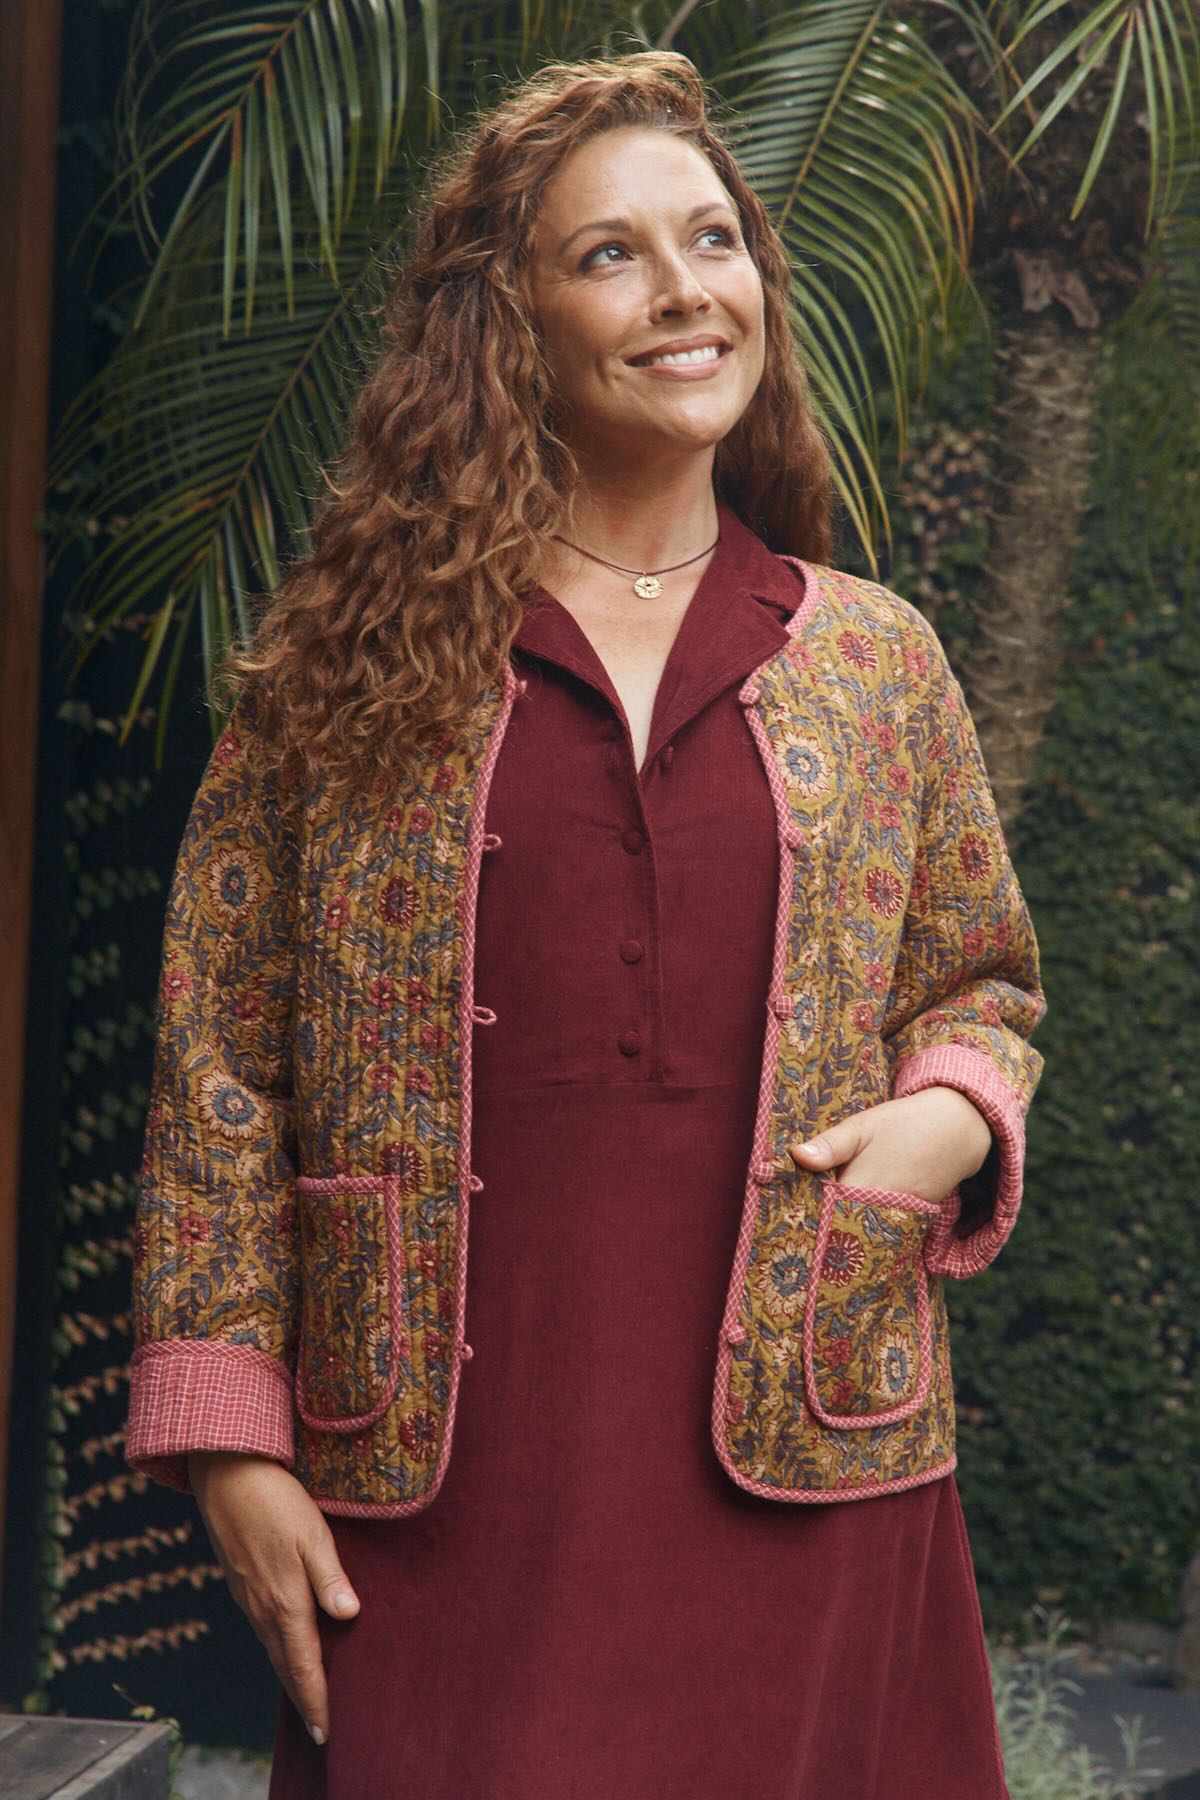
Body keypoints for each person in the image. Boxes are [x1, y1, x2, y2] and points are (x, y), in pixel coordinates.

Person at [125, 50, 1046, 1800]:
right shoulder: (346, 671)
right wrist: (232, 1444)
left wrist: (948, 1116)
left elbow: (982, 984)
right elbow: (222, 1063)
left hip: (814, 1467)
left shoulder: (878, 659)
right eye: (611, 254)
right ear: (509, 326)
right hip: (436, 1498)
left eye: (715, 239)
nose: (687, 290)